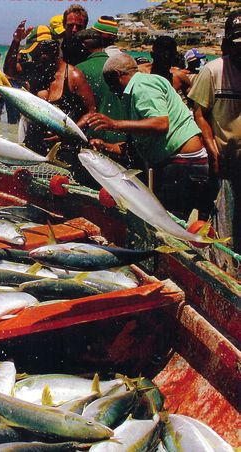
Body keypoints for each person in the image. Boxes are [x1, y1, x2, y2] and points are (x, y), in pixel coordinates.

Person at [86, 53, 211, 220]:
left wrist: (115, 124)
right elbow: (134, 147)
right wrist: (104, 146)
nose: (111, 90)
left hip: (181, 164)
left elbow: (160, 124)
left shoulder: (142, 85)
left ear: (117, 75)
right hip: (179, 163)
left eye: (110, 83)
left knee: (170, 226)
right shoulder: (138, 90)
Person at [4, 22, 95, 176]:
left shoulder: (73, 76)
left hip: (63, 149)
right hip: (32, 145)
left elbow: (91, 112)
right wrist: (16, 41)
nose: (33, 57)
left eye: (37, 53)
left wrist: (69, 132)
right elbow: (9, 70)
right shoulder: (35, 69)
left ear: (53, 49)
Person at [188, 10, 241, 272]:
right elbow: (199, 113)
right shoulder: (212, 71)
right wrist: (210, 144)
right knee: (224, 222)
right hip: (225, 159)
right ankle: (225, 270)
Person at [74, 29, 126, 146]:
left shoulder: (78, 71)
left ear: (83, 46)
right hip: (124, 138)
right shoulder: (120, 66)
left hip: (95, 139)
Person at [138, 36, 191, 100]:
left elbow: (195, 103)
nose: (165, 59)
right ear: (152, 55)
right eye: (162, 55)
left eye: (170, 55)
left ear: (175, 56)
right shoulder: (140, 74)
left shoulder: (178, 77)